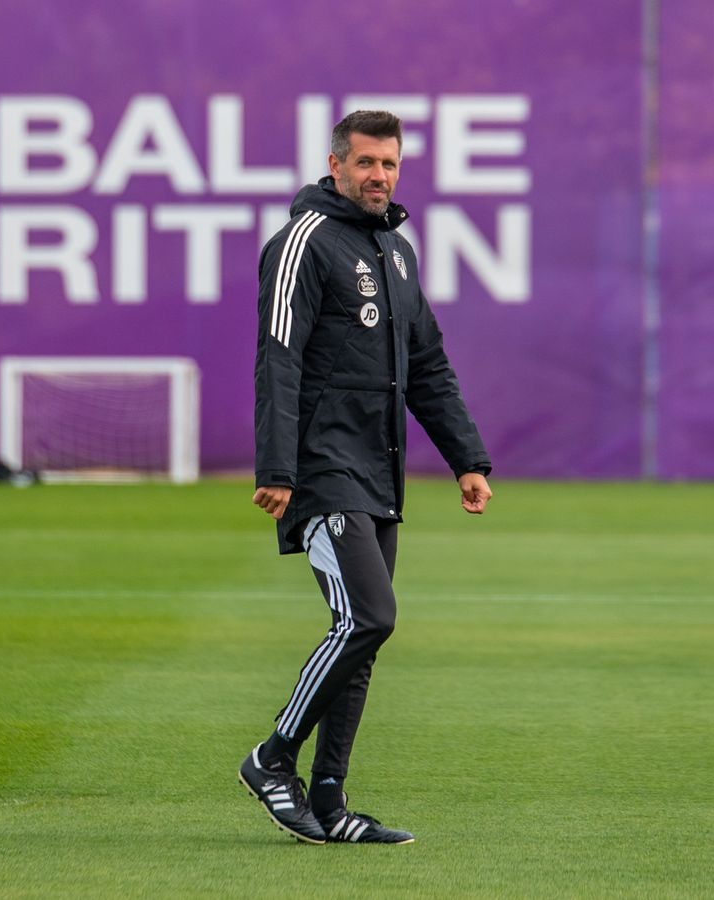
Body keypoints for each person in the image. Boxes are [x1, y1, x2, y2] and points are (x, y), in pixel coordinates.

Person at [241, 110, 493, 845]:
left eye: (390, 164)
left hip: (379, 474)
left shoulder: (398, 252)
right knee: (369, 618)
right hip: (322, 471)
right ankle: (272, 758)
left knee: (361, 635)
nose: (379, 176)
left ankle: (328, 800)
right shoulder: (301, 244)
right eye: (366, 164)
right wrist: (278, 468)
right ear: (336, 164)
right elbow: (277, 358)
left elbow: (428, 369)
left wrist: (467, 458)